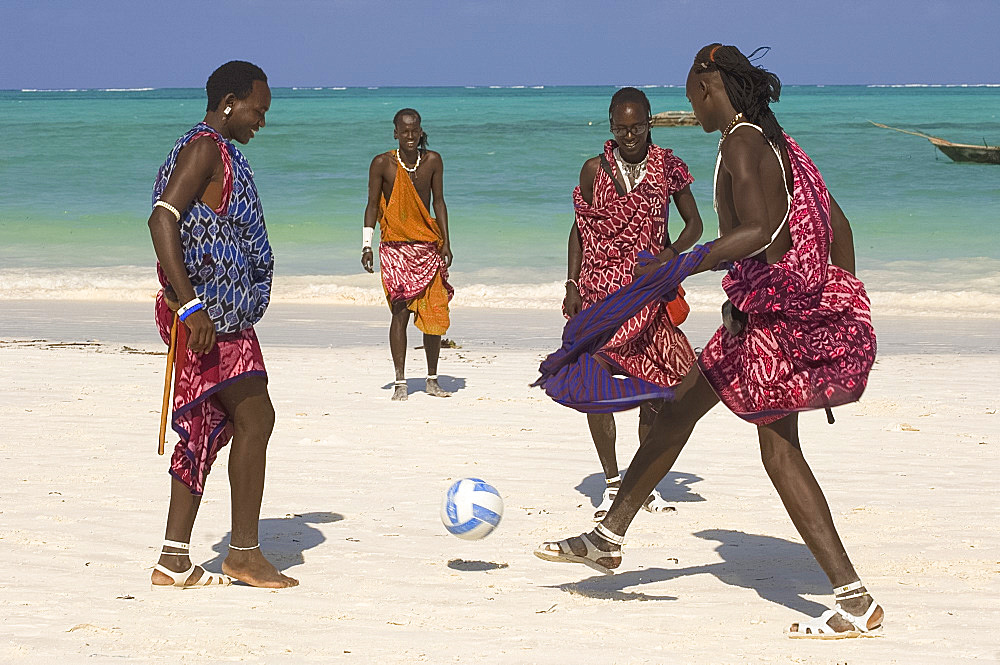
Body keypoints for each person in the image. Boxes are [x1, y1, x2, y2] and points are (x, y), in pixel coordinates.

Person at [535, 44, 881, 639]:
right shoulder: (781, 142)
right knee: (677, 413)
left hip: (770, 327)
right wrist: (837, 299)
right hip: (763, 317)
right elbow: (837, 225)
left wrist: (684, 264)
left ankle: (853, 599)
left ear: (707, 87)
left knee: (779, 452)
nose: (690, 108)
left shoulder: (742, 143)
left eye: (691, 95)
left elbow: (761, 230)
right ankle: (608, 538)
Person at [147, 61, 297, 589]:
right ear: (230, 101)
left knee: (207, 424)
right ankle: (243, 554)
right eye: (259, 110)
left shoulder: (217, 150)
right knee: (256, 419)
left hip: (218, 316)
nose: (262, 121)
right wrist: (190, 307)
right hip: (209, 319)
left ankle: (173, 559)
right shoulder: (205, 147)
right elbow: (163, 218)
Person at [564, 87, 704, 520]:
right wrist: (571, 283)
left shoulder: (668, 168)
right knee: (594, 386)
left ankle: (641, 483)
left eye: (637, 127)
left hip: (648, 292)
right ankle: (610, 485)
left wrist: (670, 254)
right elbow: (579, 230)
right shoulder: (593, 170)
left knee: (659, 390)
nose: (629, 136)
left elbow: (695, 224)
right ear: (611, 126)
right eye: (621, 128)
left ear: (649, 123)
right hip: (600, 292)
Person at [362, 108, 454, 401]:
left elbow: (439, 202)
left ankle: (432, 379)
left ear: (421, 130)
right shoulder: (382, 163)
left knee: (433, 313)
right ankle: (400, 381)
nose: (410, 136)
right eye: (405, 131)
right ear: (395, 133)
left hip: (427, 245)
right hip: (395, 247)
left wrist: (446, 242)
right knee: (399, 313)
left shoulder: (433, 161)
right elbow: (372, 205)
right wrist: (366, 244)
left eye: (415, 130)